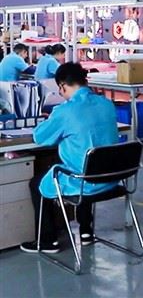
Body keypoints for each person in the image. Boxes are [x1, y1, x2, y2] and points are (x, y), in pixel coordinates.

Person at [20, 62, 119, 254]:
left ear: (63, 86)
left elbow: (39, 137)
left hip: (86, 183)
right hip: (111, 178)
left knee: (38, 183)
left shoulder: (65, 111)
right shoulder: (107, 104)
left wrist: (50, 120)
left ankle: (47, 240)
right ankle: (86, 231)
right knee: (87, 163)